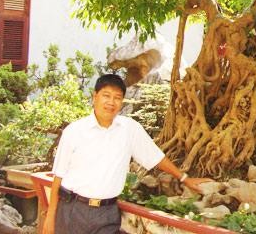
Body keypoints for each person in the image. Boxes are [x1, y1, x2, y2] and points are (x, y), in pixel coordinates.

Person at [43, 74, 212, 234]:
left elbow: (155, 157)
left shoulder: (129, 129)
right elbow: (59, 175)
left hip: (106, 213)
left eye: (117, 97)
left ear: (122, 102)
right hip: (73, 210)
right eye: (106, 95)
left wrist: (184, 178)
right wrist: (50, 218)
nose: (111, 102)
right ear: (95, 97)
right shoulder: (75, 131)